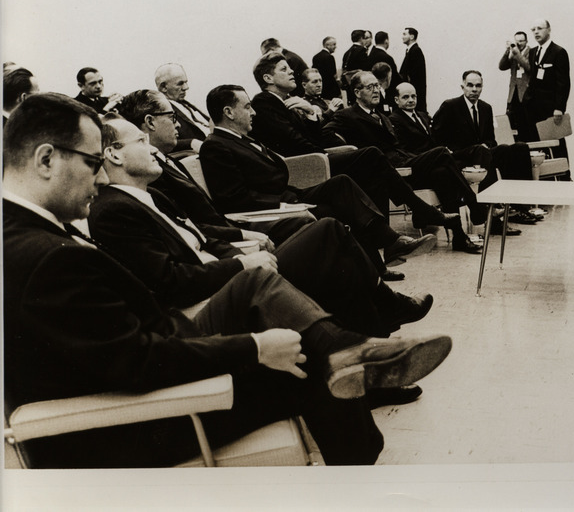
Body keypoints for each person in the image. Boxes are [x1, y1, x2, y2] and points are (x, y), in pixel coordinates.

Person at [2, 92, 452, 467]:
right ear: (46, 159)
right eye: (91, 161)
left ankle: (349, 354)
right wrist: (255, 347)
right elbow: (136, 361)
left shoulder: (25, 234)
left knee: (271, 301)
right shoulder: (46, 255)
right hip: (127, 426)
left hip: (135, 379)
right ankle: (356, 475)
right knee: (305, 363)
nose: (99, 176)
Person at [89, 115, 436, 374]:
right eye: (141, 140)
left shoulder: (151, 197)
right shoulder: (114, 210)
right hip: (220, 294)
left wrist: (246, 251)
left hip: (231, 272)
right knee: (327, 234)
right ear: (114, 155)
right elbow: (170, 281)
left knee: (332, 246)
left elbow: (203, 241)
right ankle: (378, 332)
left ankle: (373, 355)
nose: (152, 147)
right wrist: (241, 264)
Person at [199, 84, 438, 271]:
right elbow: (232, 198)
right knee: (341, 206)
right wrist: (283, 205)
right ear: (229, 112)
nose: (253, 112)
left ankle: (387, 248)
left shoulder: (243, 140)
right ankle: (382, 259)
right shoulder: (216, 146)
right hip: (275, 206)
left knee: (342, 184)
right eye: (247, 107)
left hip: (290, 195)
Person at [248, 51, 458, 240]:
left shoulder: (287, 102)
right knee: (372, 154)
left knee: (376, 175)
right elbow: (296, 143)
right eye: (284, 69)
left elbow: (312, 139)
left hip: (314, 159)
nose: (292, 72)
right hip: (303, 167)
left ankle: (388, 242)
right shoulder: (264, 102)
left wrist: (311, 113)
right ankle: (420, 211)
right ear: (268, 78)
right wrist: (317, 132)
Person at [117, 89, 315, 246]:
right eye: (172, 117)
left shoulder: (168, 162)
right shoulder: (151, 173)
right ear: (150, 122)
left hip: (232, 227)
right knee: (317, 225)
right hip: (225, 240)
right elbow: (189, 225)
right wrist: (242, 234)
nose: (178, 126)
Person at [323, 71, 486, 254]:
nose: (376, 90)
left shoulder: (383, 117)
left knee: (441, 172)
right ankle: (473, 204)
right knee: (441, 153)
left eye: (377, 86)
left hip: (403, 161)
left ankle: (459, 237)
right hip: (386, 168)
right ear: (357, 92)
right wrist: (352, 149)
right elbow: (325, 134)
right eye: (370, 87)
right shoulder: (347, 115)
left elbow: (398, 147)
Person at [432, 70, 539, 226]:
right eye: (470, 85)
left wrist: (487, 145)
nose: (474, 89)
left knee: (519, 148)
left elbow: (491, 140)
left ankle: (519, 207)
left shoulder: (485, 108)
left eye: (478, 86)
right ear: (462, 87)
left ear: (482, 87)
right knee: (482, 152)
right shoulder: (450, 106)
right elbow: (435, 137)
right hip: (459, 156)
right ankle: (491, 211)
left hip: (481, 154)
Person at [524, 19, 571, 178]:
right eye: (533, 29)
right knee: (537, 145)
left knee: (556, 143)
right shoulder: (533, 52)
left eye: (540, 28)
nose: (536, 32)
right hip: (533, 109)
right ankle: (544, 178)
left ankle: (564, 177)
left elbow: (563, 83)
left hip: (550, 109)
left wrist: (559, 108)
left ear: (549, 30)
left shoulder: (559, 52)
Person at [154, 63, 211, 152]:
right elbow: (159, 142)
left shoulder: (186, 104)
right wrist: (190, 143)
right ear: (164, 87)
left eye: (186, 82)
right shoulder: (161, 111)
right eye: (180, 84)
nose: (186, 87)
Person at [499, 31, 534, 140]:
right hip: (513, 93)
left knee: (526, 125)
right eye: (516, 41)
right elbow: (502, 66)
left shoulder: (532, 52)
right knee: (512, 123)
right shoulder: (513, 53)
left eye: (521, 41)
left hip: (525, 94)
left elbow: (529, 67)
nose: (518, 44)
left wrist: (517, 54)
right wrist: (507, 51)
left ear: (526, 41)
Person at [368, 30, 403, 107]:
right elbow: (395, 78)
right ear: (386, 41)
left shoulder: (370, 55)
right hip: (387, 95)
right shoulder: (387, 58)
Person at [399, 27, 427, 112]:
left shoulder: (415, 51)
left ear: (412, 36)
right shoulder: (411, 50)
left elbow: (415, 75)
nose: (402, 37)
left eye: (404, 34)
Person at [311, 36, 341, 100]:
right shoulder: (330, 57)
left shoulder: (315, 57)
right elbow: (334, 75)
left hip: (321, 89)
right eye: (334, 44)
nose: (336, 47)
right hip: (331, 90)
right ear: (327, 45)